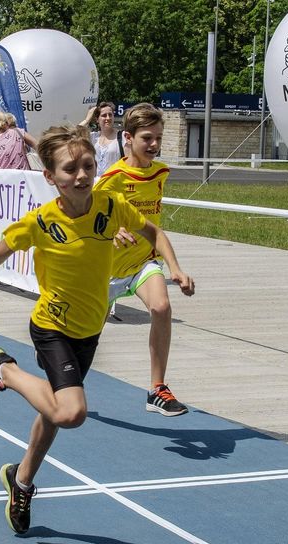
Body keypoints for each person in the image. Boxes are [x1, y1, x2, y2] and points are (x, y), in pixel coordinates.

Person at [0, 124, 194, 534]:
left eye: (87, 165)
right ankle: (4, 372)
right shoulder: (41, 222)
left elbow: (152, 231)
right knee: (71, 412)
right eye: (70, 169)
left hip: (89, 330)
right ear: (50, 177)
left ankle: (22, 480)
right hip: (52, 328)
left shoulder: (110, 205)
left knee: (51, 412)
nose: (81, 175)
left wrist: (173, 266)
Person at [94, 103, 188, 417]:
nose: (154, 144)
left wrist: (175, 269)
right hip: (103, 269)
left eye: (158, 137)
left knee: (161, 307)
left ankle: (157, 389)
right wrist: (113, 228)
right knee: (84, 343)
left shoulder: (161, 173)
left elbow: (155, 228)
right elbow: (89, 213)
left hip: (142, 263)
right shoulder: (114, 176)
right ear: (128, 138)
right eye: (147, 137)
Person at [81, 101, 125, 176]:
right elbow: (72, 135)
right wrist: (87, 120)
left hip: (114, 185)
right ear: (97, 119)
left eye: (110, 115)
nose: (108, 118)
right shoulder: (93, 137)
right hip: (95, 185)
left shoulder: (122, 136)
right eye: (104, 115)